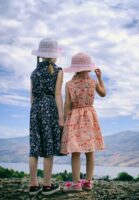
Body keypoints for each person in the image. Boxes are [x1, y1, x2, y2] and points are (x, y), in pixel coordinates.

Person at [61, 52, 106, 192]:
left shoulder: (69, 84)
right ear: (88, 68)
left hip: (74, 117)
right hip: (90, 117)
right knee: (90, 151)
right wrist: (99, 78)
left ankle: (76, 184)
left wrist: (63, 120)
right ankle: (88, 182)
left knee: (75, 151)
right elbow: (103, 93)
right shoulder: (92, 83)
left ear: (75, 68)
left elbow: (67, 104)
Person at [28, 38, 64, 196]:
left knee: (34, 148)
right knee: (48, 148)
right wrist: (61, 117)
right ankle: (47, 185)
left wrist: (35, 112)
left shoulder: (34, 73)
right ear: (54, 55)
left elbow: (32, 97)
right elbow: (57, 95)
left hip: (35, 110)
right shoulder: (58, 71)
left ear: (41, 55)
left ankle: (33, 185)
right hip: (50, 109)